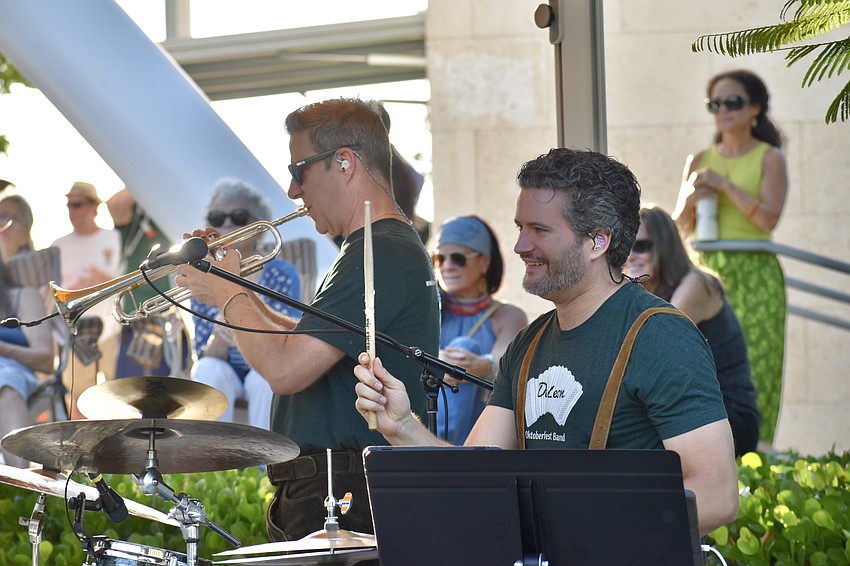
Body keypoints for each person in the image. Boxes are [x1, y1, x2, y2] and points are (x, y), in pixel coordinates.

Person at [354, 148, 739, 536]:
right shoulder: (528, 343)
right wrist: (403, 426)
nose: (521, 245)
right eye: (521, 227)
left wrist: (575, 529)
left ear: (598, 242)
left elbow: (716, 494)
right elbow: (473, 479)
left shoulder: (660, 336)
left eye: (539, 230)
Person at [177, 98, 440, 542]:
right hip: (332, 484)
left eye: (299, 170)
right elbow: (304, 343)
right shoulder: (369, 249)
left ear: (344, 163)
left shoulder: (381, 251)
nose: (292, 190)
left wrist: (226, 294)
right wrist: (234, 283)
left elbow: (285, 370)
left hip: (342, 487)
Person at [673, 69, 788, 445]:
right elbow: (676, 230)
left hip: (756, 272)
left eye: (732, 102)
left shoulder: (769, 157)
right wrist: (693, 197)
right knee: (701, 360)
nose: (722, 110)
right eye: (715, 103)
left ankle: (756, 456)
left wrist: (723, 185)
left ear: (755, 107)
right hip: (705, 272)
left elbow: (768, 218)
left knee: (758, 366)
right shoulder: (700, 159)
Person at [625, 205, 760, 456]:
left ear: (665, 246)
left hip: (728, 415)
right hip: (693, 409)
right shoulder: (645, 295)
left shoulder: (696, 284)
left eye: (641, 246)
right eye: (625, 247)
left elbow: (653, 346)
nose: (631, 255)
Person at [189, 178, 301, 428]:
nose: (227, 224)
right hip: (225, 365)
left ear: (258, 225)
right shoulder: (201, 277)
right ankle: (213, 463)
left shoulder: (282, 274)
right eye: (217, 218)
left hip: (267, 362)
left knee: (264, 381)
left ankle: (265, 466)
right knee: (207, 370)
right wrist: (220, 334)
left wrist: (238, 321)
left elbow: (287, 339)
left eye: (239, 216)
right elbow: (205, 353)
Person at [432, 215, 527, 444]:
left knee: (465, 347)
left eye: (458, 258)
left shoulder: (507, 316)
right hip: (430, 419)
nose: (447, 267)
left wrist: (481, 366)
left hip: (485, 433)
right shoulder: (429, 311)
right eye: (438, 259)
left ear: (484, 262)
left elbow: (506, 369)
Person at [51, 182, 122, 419]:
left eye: (78, 204)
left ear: (94, 207)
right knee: (79, 396)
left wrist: (103, 280)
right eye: (69, 205)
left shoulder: (114, 238)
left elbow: (125, 279)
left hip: (112, 328)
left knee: (120, 395)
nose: (72, 210)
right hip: (76, 330)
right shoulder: (58, 245)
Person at [107, 187, 180, 378]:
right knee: (128, 394)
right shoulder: (136, 216)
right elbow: (115, 205)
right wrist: (154, 177)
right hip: (134, 320)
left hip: (168, 320)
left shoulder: (176, 211)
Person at [0, 258, 54, 467]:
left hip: (12, 372)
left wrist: (3, 348)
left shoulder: (22, 296)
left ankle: (20, 490)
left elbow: (46, 359)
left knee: (5, 385)